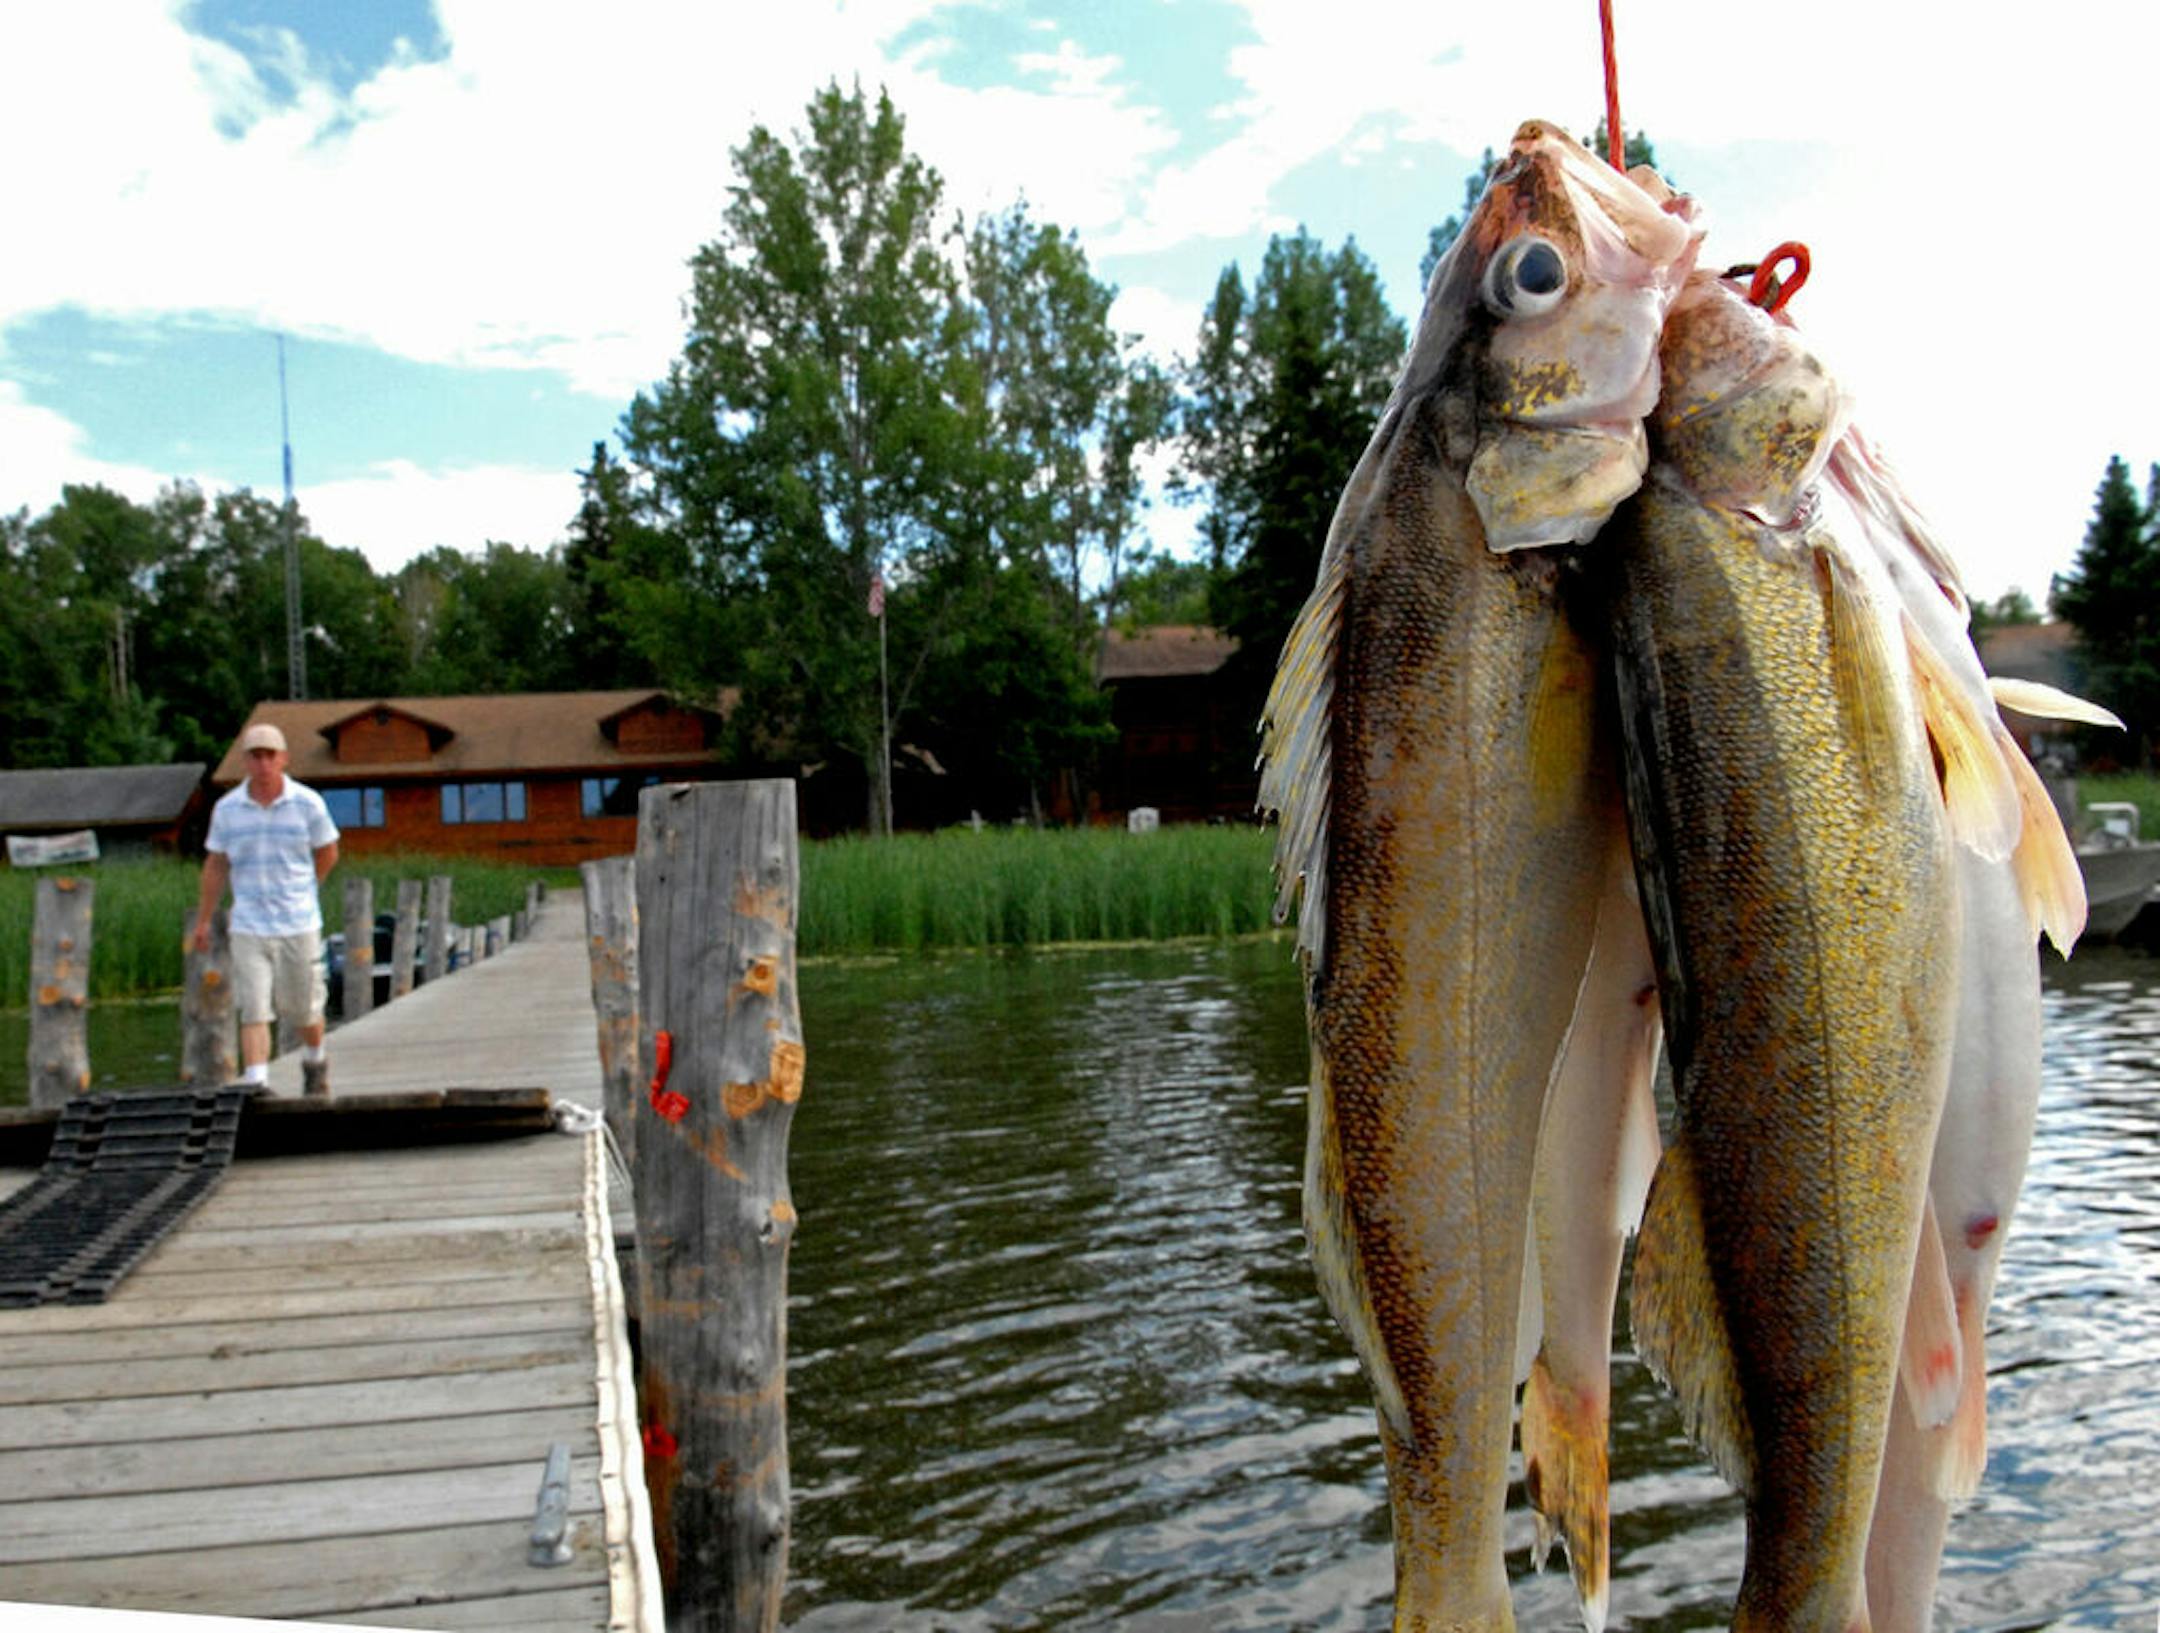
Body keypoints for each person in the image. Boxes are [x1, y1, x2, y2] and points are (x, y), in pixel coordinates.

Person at [191, 722, 341, 1096]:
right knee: (254, 1005)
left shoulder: (307, 804)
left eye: (269, 756)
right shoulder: (228, 810)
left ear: (283, 759)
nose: (262, 764)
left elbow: (328, 851)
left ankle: (314, 1056)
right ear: (245, 761)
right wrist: (205, 918)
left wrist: (309, 887)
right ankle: (257, 1079)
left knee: (303, 1007)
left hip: (298, 920)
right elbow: (216, 864)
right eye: (255, 756)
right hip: (249, 923)